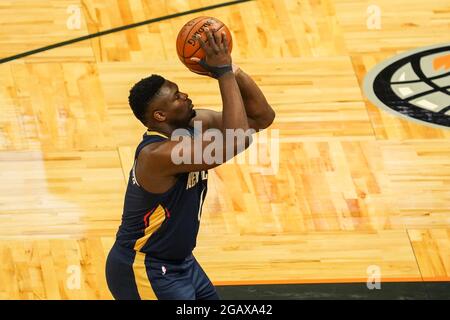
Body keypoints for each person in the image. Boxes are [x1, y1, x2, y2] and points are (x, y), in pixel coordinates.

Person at [105, 27, 275, 300]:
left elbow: (260, 118)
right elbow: (237, 139)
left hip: (182, 263)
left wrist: (233, 67)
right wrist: (222, 73)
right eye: (176, 97)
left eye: (180, 91)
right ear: (160, 115)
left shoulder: (196, 124)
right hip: (145, 268)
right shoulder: (156, 155)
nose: (184, 96)